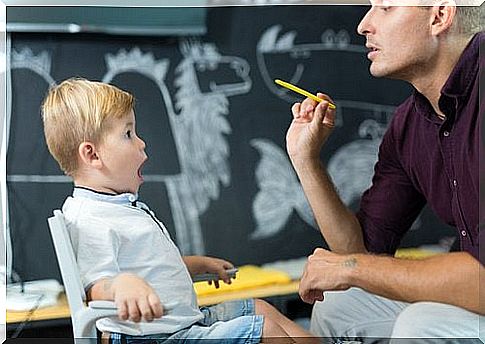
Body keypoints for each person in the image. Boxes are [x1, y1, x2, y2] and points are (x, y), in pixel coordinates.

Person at [42, 78, 315, 343]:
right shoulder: (90, 218)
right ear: (92, 155)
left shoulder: (118, 207)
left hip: (181, 325)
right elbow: (97, 287)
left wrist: (195, 265)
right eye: (128, 134)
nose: (141, 142)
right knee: (264, 331)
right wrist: (121, 285)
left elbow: (151, 269)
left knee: (259, 308)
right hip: (156, 337)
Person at [285, 0, 484, 342]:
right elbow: (360, 252)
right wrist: (306, 159)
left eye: (386, 8)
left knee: (423, 323)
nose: (363, 25)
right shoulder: (410, 121)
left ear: (439, 16)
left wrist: (352, 268)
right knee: (341, 304)